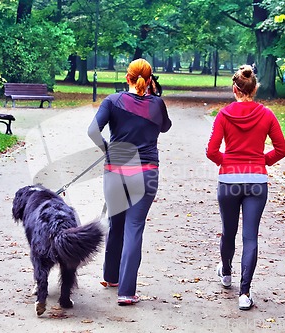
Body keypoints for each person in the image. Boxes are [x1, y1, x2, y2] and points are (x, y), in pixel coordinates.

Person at [88, 58, 172, 305]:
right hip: (146, 172)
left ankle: (110, 276)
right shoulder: (157, 104)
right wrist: (153, 96)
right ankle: (126, 291)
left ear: (128, 77)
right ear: (150, 79)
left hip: (116, 169)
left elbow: (93, 130)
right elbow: (165, 127)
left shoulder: (112, 101)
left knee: (116, 222)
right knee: (134, 226)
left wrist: (107, 149)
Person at [206, 65, 285, 310]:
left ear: (235, 89)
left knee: (228, 231)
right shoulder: (267, 115)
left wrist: (228, 162)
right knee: (250, 236)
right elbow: (281, 149)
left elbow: (211, 151)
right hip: (256, 182)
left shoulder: (223, 114)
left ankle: (227, 273)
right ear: (254, 89)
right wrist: (262, 161)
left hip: (229, 181)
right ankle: (244, 293)